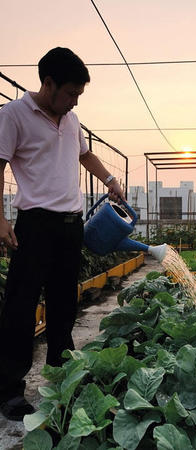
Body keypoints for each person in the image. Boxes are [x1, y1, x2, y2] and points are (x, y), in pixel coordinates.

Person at [0, 47, 125, 421]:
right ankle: (9, 390)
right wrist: (1, 220)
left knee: (63, 305)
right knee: (21, 308)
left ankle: (61, 373)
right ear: (48, 83)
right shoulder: (14, 115)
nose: (74, 102)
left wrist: (110, 178)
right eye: (70, 93)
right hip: (35, 224)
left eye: (78, 96)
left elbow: (85, 155)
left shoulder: (71, 121)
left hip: (71, 225)